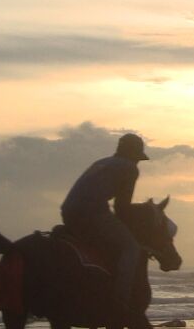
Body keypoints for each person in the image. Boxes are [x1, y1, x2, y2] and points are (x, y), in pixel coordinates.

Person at [61, 132, 151, 312]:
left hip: (68, 211)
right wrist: (142, 211)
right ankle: (121, 301)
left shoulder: (102, 162)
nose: (138, 162)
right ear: (133, 155)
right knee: (131, 247)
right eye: (137, 158)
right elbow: (121, 208)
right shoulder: (129, 168)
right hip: (92, 213)